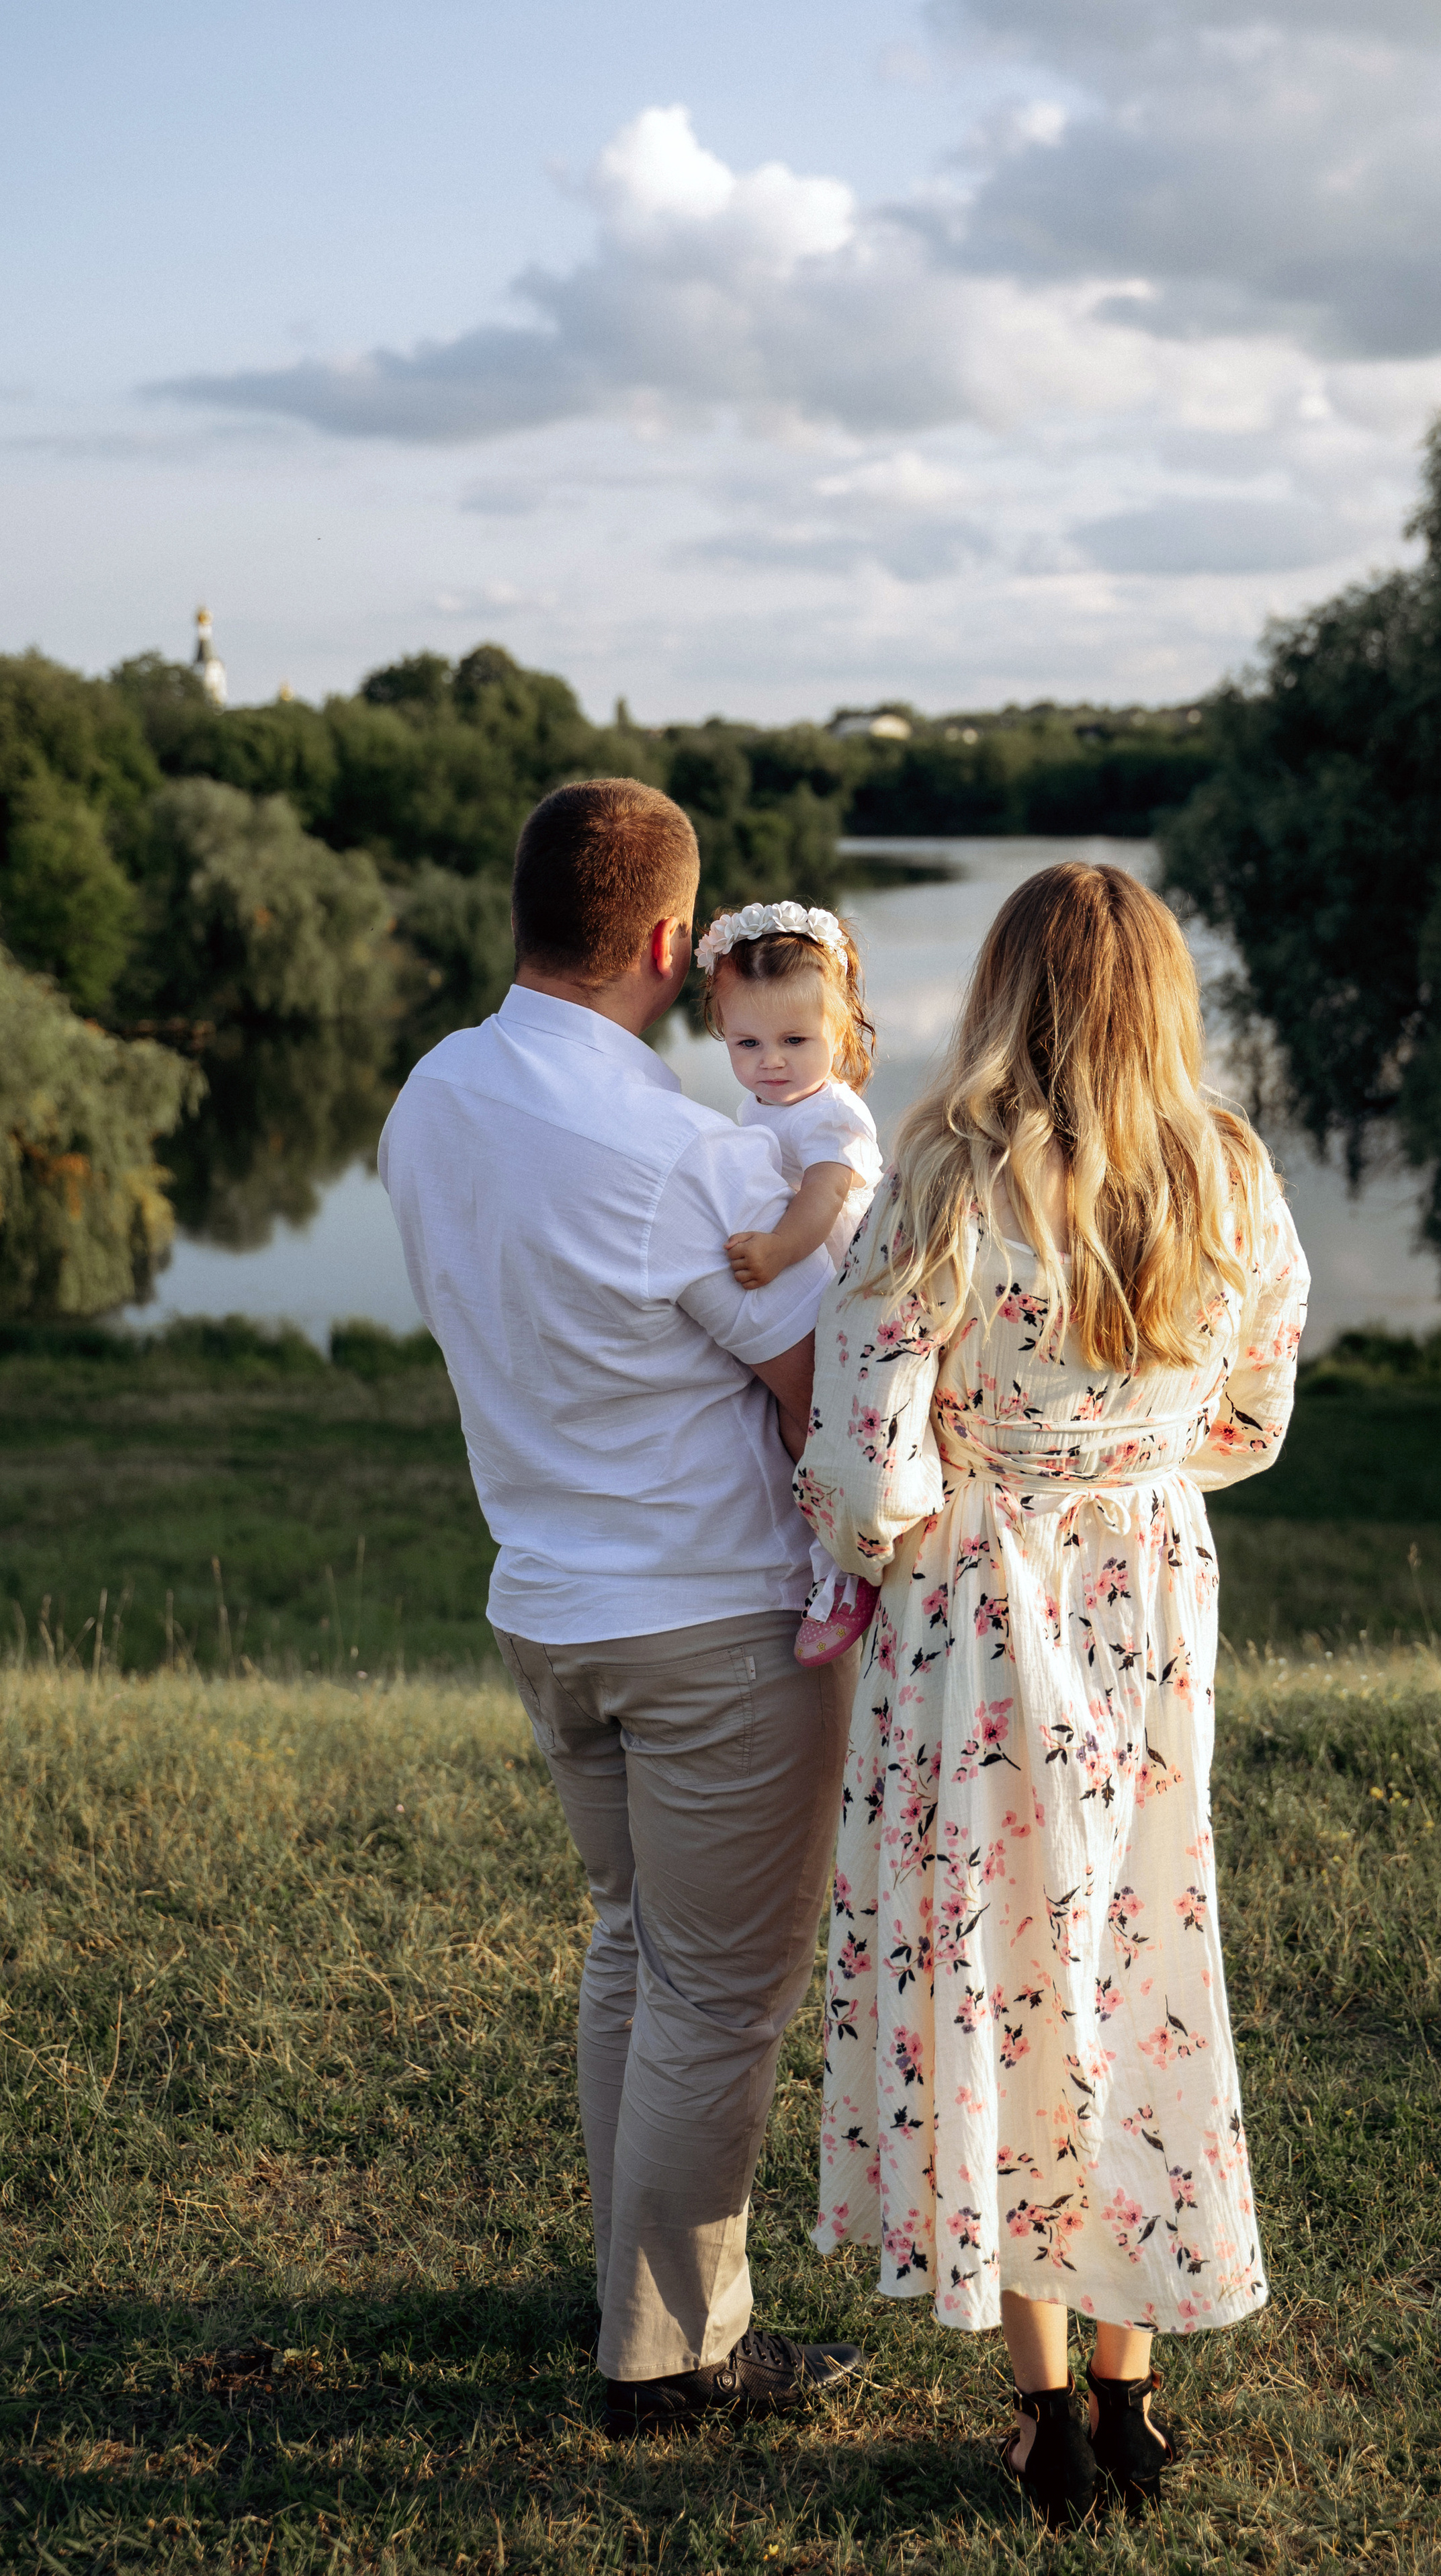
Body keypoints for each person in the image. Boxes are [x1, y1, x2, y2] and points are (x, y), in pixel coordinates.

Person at [793, 862, 1310, 2528]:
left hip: (976, 1615)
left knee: (995, 1961)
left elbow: (863, 1459)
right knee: (1141, 1949)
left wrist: (927, 1502)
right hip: (1147, 1601)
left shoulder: (940, 1172)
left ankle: (1039, 2412)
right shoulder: (1227, 1172)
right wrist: (1129, 1474)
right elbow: (1252, 1418)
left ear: (1003, 990)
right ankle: (1127, 2388)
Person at [377, 777, 863, 2434]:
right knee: (718, 1992)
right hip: (710, 1621)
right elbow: (814, 1388)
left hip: (546, 1604)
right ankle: (669, 2359)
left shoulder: (430, 1095)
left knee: (635, 1948)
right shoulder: (678, 1149)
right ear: (668, 941)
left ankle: (631, 2282)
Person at [701, 899, 885, 1668]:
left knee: (816, 1427)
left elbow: (822, 1198)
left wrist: (776, 1252)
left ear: (838, 1035)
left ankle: (847, 1570)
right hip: (816, 1293)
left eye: (794, 1041)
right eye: (747, 1042)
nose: (770, 1060)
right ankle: (821, 1560)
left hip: (855, 1288)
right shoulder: (756, 1103)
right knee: (793, 1428)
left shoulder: (831, 1114)